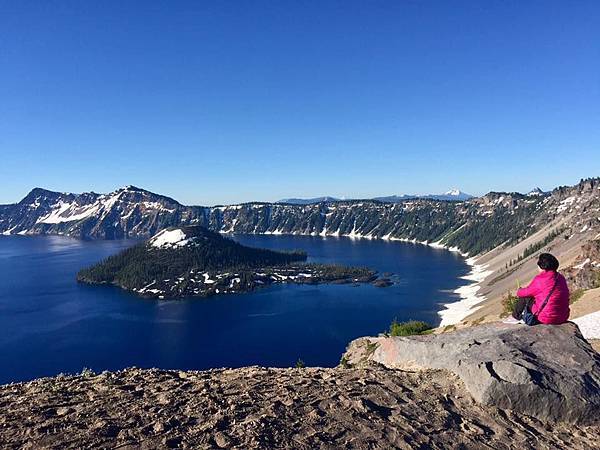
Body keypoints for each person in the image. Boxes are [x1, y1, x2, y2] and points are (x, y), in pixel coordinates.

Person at [512, 253, 570, 325]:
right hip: (563, 316)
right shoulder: (561, 277)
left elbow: (525, 292)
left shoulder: (540, 279)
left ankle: (516, 316)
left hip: (545, 318)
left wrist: (519, 290)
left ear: (542, 266)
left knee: (525, 296)